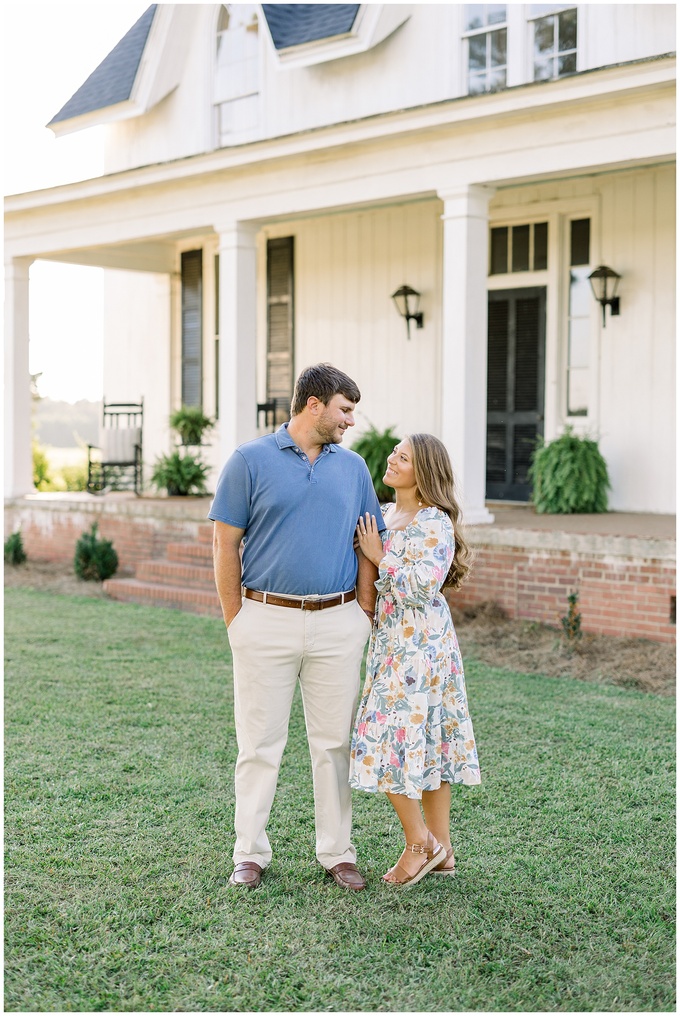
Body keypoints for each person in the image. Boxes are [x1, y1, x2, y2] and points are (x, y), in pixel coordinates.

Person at [209, 363, 385, 891]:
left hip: (338, 621)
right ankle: (250, 852)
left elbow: (368, 539)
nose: (351, 421)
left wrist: (365, 611)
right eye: (345, 410)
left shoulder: (352, 468)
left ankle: (337, 852)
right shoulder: (248, 461)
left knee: (333, 743)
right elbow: (224, 544)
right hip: (264, 619)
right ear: (314, 404)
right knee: (259, 744)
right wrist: (235, 620)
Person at [350, 433, 481, 887]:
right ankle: (441, 852)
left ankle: (420, 843)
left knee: (386, 738)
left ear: (423, 471)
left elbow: (422, 586)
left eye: (403, 457)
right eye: (395, 453)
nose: (391, 459)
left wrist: (380, 557)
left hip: (423, 649)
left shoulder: (434, 522)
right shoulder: (384, 515)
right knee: (417, 743)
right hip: (390, 643)